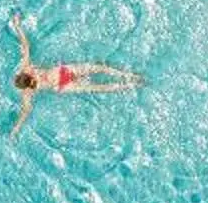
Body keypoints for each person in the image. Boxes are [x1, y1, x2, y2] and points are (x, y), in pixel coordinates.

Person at [8, 14, 141, 134]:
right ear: (23, 75)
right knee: (97, 68)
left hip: (63, 85)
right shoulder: (27, 69)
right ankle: (127, 75)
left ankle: (129, 85)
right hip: (63, 71)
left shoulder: (26, 92)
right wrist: (18, 26)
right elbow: (25, 46)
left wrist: (16, 128)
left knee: (97, 87)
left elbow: (25, 111)